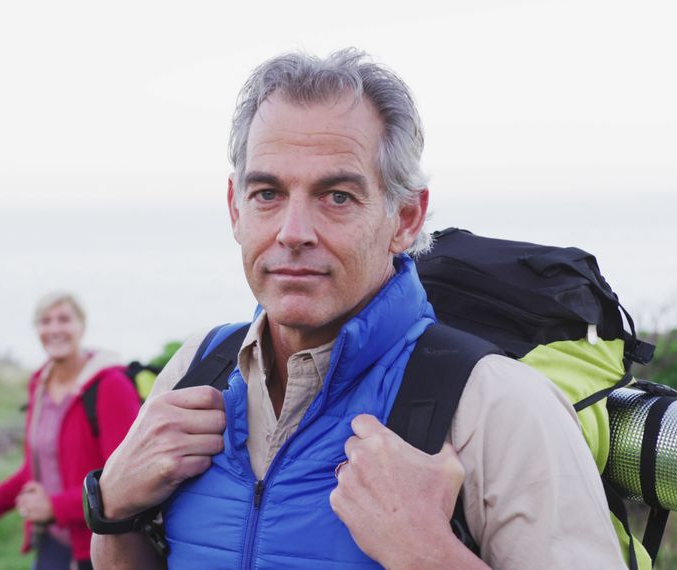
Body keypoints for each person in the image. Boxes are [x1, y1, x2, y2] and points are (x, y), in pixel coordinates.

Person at [90, 49, 625, 569]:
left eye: (337, 196)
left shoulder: (498, 405)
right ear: (235, 208)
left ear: (406, 218)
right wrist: (111, 508)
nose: (293, 233)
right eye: (267, 194)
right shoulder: (195, 370)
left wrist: (429, 556)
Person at [0, 292, 141, 570]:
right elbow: (37, 468)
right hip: (50, 544)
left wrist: (55, 508)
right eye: (45, 321)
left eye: (64, 319)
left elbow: (126, 479)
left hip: (100, 550)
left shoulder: (111, 385)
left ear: (82, 325)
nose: (54, 329)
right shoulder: (39, 385)